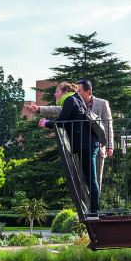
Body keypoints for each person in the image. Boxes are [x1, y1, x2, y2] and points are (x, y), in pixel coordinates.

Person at [37, 81, 100, 215]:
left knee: (91, 179)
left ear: (65, 92)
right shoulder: (75, 99)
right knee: (89, 178)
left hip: (86, 145)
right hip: (86, 144)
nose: (55, 94)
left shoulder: (70, 100)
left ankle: (95, 210)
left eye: (57, 91)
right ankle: (93, 209)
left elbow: (61, 121)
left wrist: (46, 123)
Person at [75, 79, 113, 188]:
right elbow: (58, 109)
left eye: (79, 91)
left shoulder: (102, 103)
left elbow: (108, 124)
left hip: (97, 147)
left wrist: (109, 146)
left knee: (96, 179)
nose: (76, 94)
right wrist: (39, 108)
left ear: (88, 92)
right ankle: (85, 200)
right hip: (81, 147)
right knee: (81, 181)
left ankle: (94, 200)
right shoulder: (75, 103)